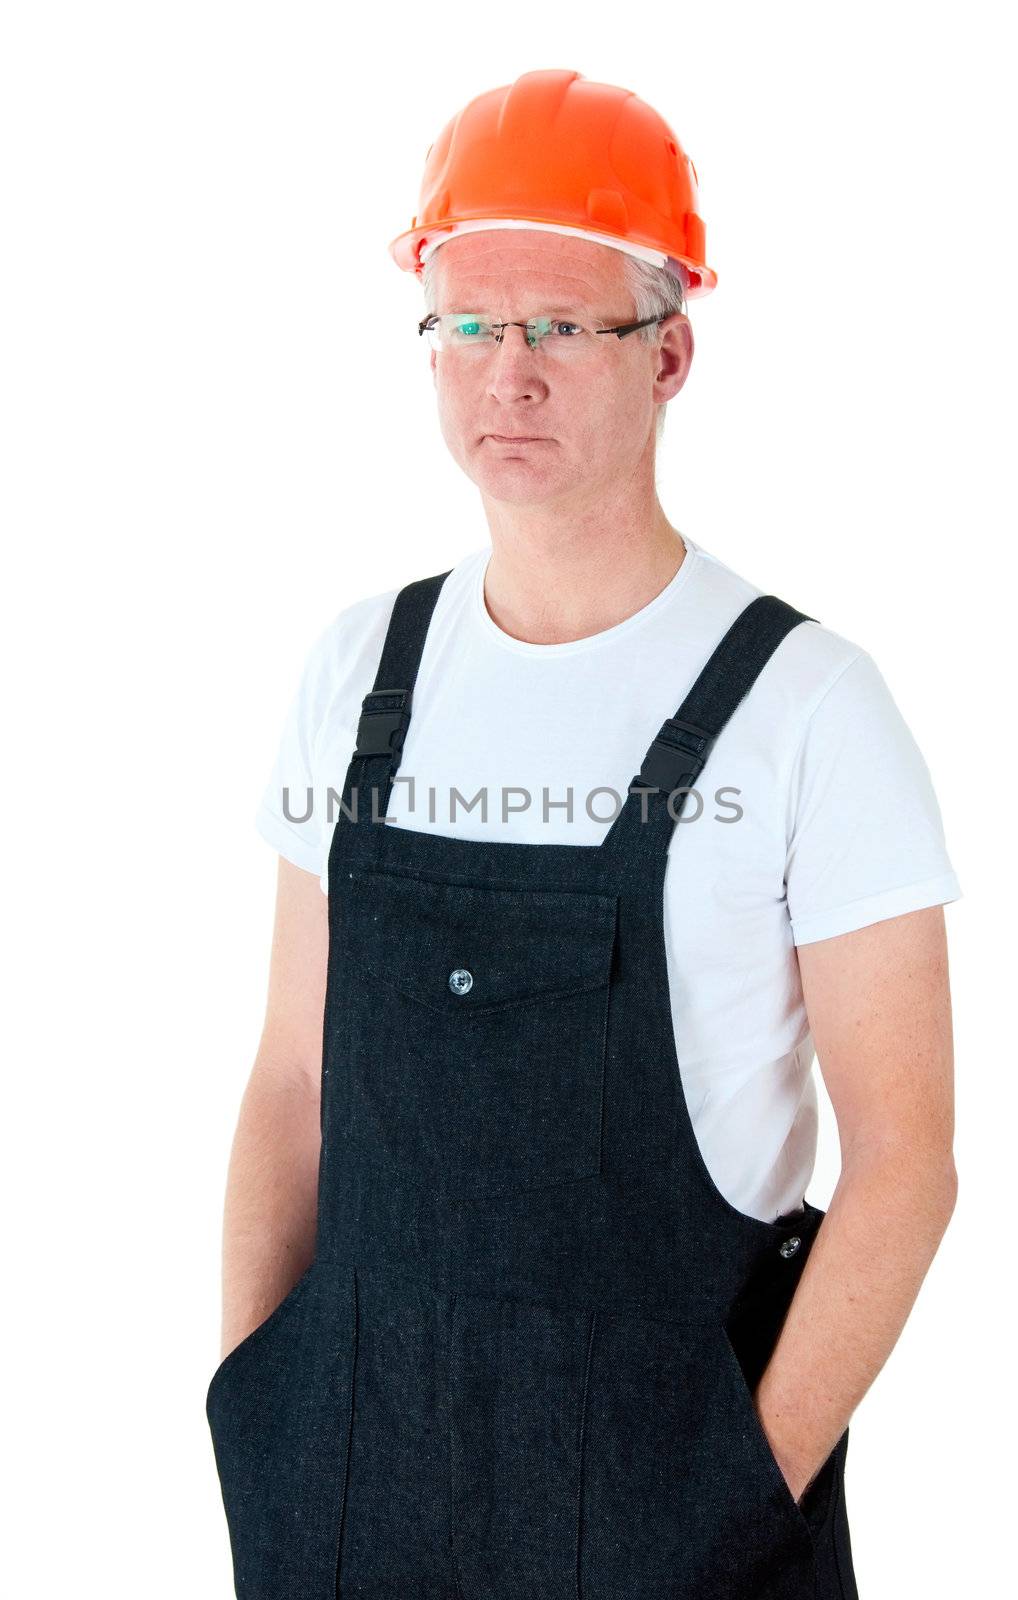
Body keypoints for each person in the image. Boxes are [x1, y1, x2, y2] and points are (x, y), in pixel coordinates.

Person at [205, 68, 961, 1600]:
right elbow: (294, 1078)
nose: (508, 377)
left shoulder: (809, 710)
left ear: (669, 350)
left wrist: (730, 1498)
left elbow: (906, 1161)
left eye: (558, 325)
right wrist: (253, 1418)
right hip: (345, 1502)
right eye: (469, 326)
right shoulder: (361, 672)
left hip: (669, 1523)